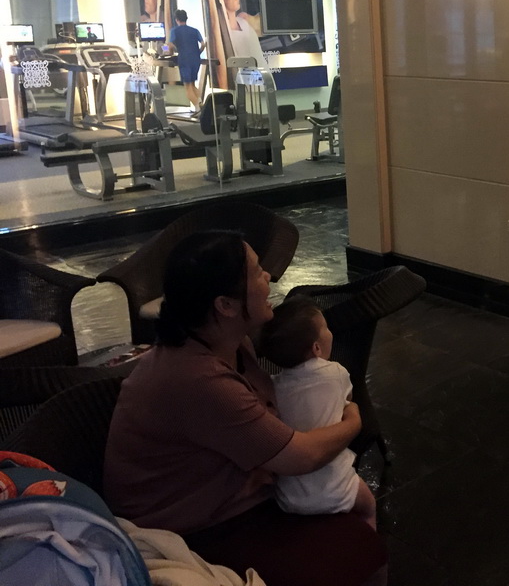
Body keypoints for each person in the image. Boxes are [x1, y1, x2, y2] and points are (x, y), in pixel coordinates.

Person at [103, 231, 387, 586]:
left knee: (360, 539)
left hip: (222, 496)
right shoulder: (199, 378)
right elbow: (301, 457)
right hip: (190, 528)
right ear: (226, 305)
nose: (268, 275)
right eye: (256, 272)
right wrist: (353, 420)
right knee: (361, 549)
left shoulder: (228, 345)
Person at [258, 296, 377, 529]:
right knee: (369, 506)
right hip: (337, 486)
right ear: (317, 348)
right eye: (326, 328)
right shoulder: (336, 372)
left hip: (289, 497)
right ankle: (372, 550)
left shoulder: (273, 386)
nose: (330, 331)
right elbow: (348, 401)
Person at [168, 9, 206, 113]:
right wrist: (198, 52)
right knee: (193, 85)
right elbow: (203, 44)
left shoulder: (174, 31)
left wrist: (167, 51)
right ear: (186, 18)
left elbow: (170, 45)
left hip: (184, 59)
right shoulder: (195, 30)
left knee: (187, 88)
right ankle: (201, 104)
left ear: (176, 20)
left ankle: (199, 109)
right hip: (195, 59)